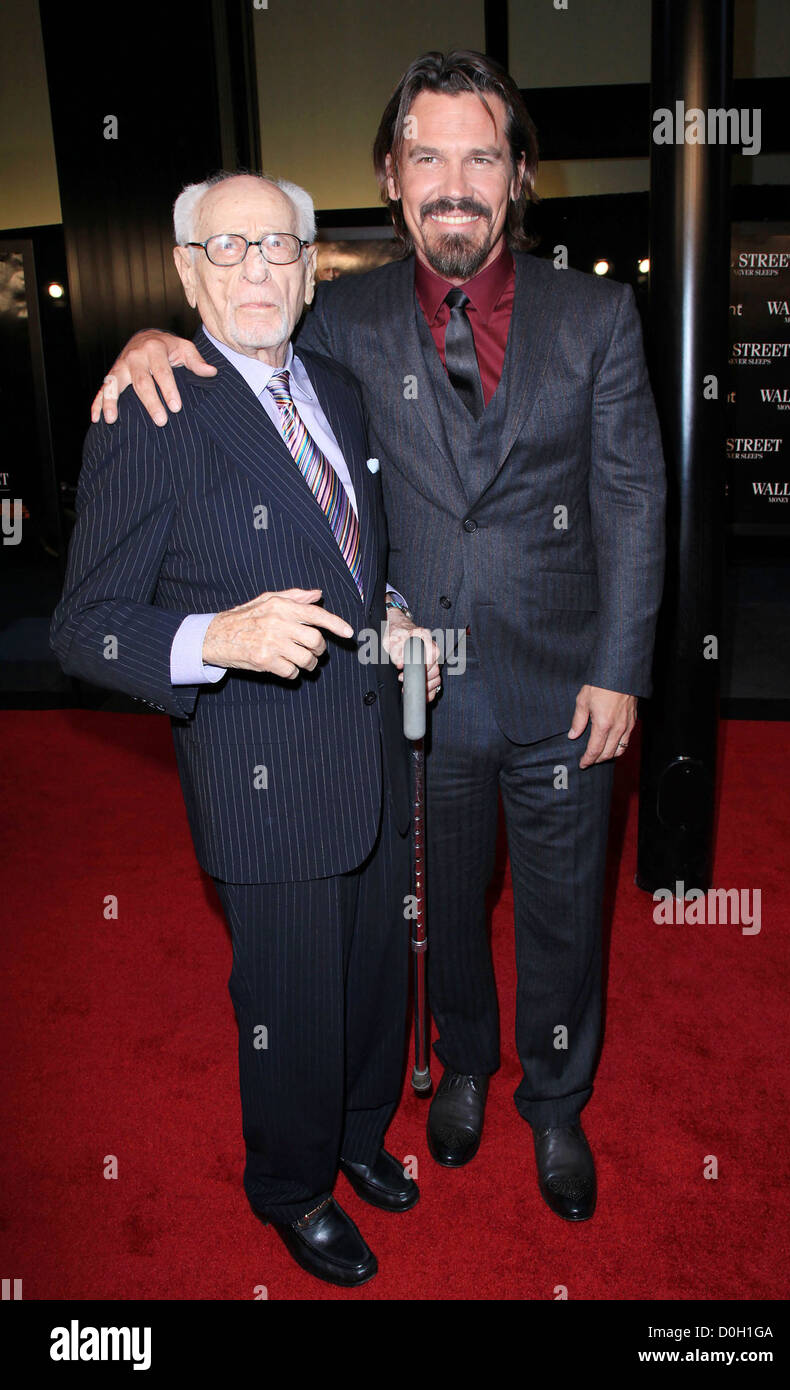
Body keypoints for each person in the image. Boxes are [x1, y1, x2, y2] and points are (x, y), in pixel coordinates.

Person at [91, 50, 667, 1223]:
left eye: (480, 155)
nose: (453, 180)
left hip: (566, 688)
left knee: (566, 910)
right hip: (415, 693)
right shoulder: (338, 314)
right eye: (427, 156)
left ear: (517, 179)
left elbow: (633, 498)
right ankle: (460, 1065)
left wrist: (621, 670)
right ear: (391, 180)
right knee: (439, 905)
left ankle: (554, 1102)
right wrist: (147, 340)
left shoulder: (598, 315)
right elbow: (241, 359)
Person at [52, 171, 440, 1288]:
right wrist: (212, 637)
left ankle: (362, 1136)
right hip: (261, 772)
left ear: (312, 266)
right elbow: (83, 628)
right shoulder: (151, 409)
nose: (257, 268)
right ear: (186, 272)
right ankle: (291, 1185)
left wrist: (398, 614)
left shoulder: (339, 386)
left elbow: (363, 559)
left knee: (374, 977)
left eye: (278, 246)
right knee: (290, 1000)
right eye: (226, 250)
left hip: (367, 743)